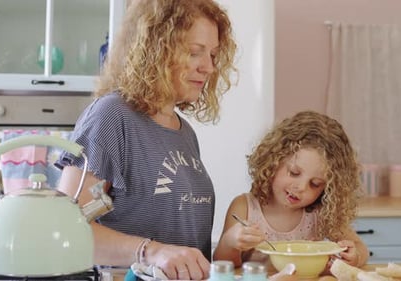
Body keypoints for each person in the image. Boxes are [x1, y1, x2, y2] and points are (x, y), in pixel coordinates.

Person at [55, 0, 237, 280]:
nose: (208, 67)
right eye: (194, 52)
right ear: (155, 51)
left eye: (212, 54)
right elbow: (66, 229)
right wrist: (151, 251)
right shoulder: (111, 117)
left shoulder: (184, 132)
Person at [213, 111, 369, 269]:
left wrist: (354, 256)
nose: (301, 188)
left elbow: (361, 248)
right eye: (294, 173)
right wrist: (230, 241)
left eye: (315, 184)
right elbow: (224, 264)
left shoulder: (321, 213)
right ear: (273, 161)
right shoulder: (244, 207)